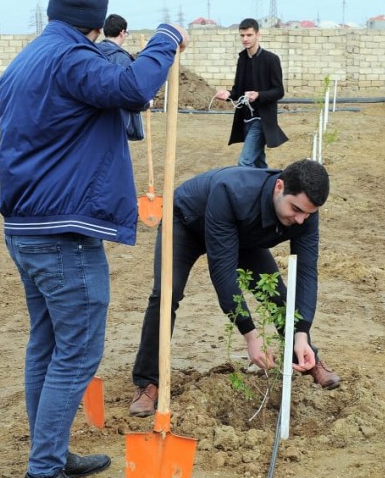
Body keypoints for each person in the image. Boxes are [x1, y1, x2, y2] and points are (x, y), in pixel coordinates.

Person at [0, 0, 187, 478]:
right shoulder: (73, 60)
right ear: (100, 23)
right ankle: (44, 475)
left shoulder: (26, 60)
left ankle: (50, 451)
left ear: (51, 9)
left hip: (28, 228)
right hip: (63, 233)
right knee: (77, 351)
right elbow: (132, 87)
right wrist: (166, 39)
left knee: (48, 345)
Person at [129, 159, 341, 419]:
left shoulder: (306, 213)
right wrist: (250, 335)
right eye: (295, 209)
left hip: (241, 233)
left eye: (307, 214)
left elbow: (307, 273)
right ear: (279, 187)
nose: (300, 220)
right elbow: (222, 271)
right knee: (166, 294)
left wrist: (302, 334)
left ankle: (307, 357)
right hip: (186, 222)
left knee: (275, 294)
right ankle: (147, 382)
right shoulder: (231, 191)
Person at [213, 18, 287, 168]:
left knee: (245, 162)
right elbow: (237, 91)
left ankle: (242, 191)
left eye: (249, 35)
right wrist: (227, 95)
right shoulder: (242, 59)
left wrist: (258, 95)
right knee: (259, 163)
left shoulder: (271, 59)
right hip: (245, 119)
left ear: (258, 35)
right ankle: (270, 188)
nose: (245, 39)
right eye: (242, 35)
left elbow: (279, 91)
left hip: (262, 120)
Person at [97, 14, 146, 141]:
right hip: (118, 123)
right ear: (122, 32)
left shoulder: (92, 53)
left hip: (94, 122)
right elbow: (130, 93)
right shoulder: (122, 59)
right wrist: (145, 103)